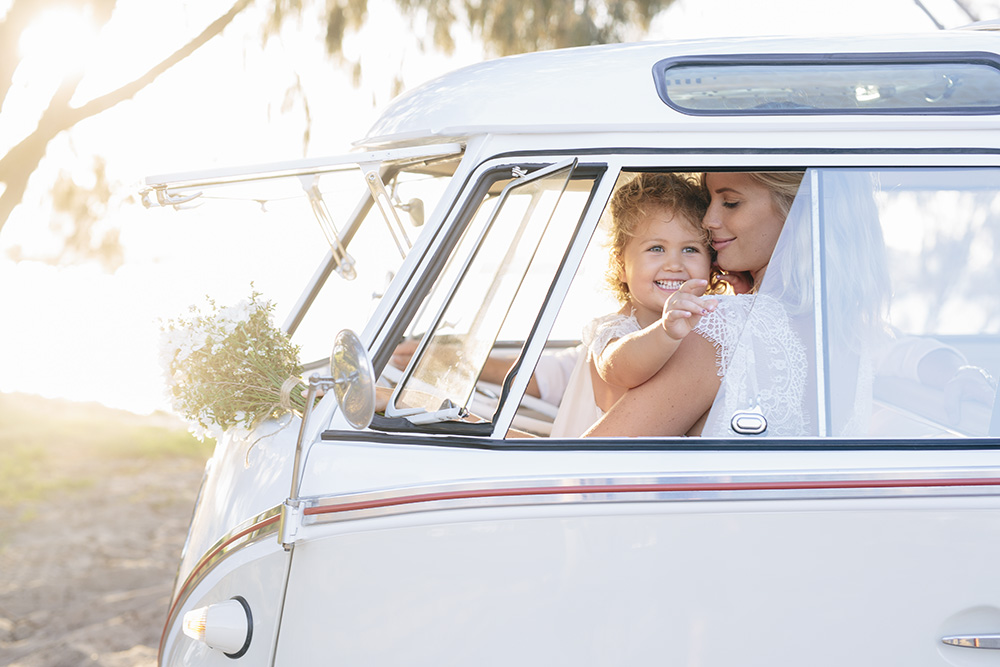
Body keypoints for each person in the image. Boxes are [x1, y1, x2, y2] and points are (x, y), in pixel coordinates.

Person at [549, 172, 726, 437]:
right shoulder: (613, 329)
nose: (674, 264)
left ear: (711, 266)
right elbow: (620, 369)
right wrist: (665, 332)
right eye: (656, 248)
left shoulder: (706, 330)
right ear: (621, 266)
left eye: (691, 249)